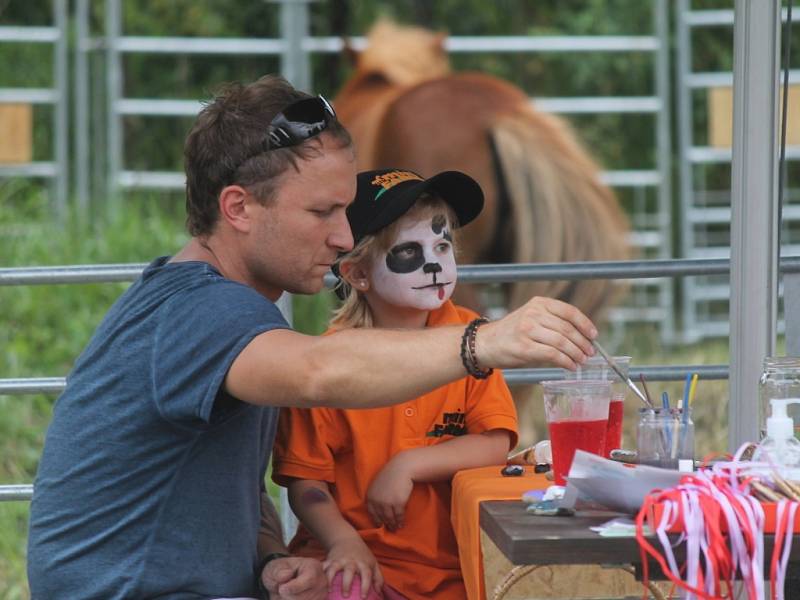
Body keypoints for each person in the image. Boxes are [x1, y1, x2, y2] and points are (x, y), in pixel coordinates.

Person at [26, 74, 598, 600]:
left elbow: (230, 489)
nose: (345, 236)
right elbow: (319, 372)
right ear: (239, 208)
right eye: (323, 211)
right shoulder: (201, 310)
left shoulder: (235, 311)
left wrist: (273, 556)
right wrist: (485, 343)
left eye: (347, 209)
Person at [272, 168, 519, 600]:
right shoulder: (330, 363)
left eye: (443, 245)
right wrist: (344, 543)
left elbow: (495, 442)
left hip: (448, 572)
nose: (435, 264)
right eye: (408, 251)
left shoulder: (472, 340)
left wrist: (407, 465)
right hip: (354, 561)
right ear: (358, 274)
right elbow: (306, 484)